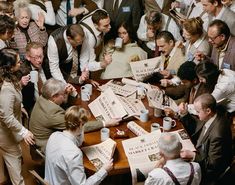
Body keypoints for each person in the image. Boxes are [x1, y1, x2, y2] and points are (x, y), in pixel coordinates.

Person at [29, 78, 120, 152]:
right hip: (47, 147)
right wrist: (105, 123)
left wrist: (69, 94)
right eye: (63, 94)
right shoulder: (52, 113)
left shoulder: (44, 97)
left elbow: (66, 110)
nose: (64, 95)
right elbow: (77, 124)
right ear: (54, 96)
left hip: (43, 139)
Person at [45, 105, 113, 184]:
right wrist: (104, 171)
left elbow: (78, 142)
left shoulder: (54, 135)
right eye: (84, 124)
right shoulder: (74, 153)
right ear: (81, 125)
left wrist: (80, 132)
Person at [179, 93, 232, 185]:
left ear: (208, 111)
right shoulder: (213, 115)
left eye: (198, 111)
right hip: (200, 152)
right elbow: (197, 126)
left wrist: (193, 155)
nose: (196, 113)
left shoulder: (218, 134)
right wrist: (185, 114)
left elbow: (212, 165)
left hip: (207, 171)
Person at [0, 48, 34, 185]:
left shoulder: (8, 78)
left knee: (17, 156)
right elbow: (7, 116)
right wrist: (24, 131)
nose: (20, 63)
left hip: (9, 132)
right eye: (18, 62)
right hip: (5, 135)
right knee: (15, 163)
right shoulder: (6, 90)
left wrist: (20, 85)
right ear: (10, 67)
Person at [20, 42, 52, 115]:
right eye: (36, 57)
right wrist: (21, 83)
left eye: (41, 56)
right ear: (28, 57)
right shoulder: (22, 71)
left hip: (50, 101)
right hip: (33, 106)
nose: (40, 60)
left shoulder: (47, 64)